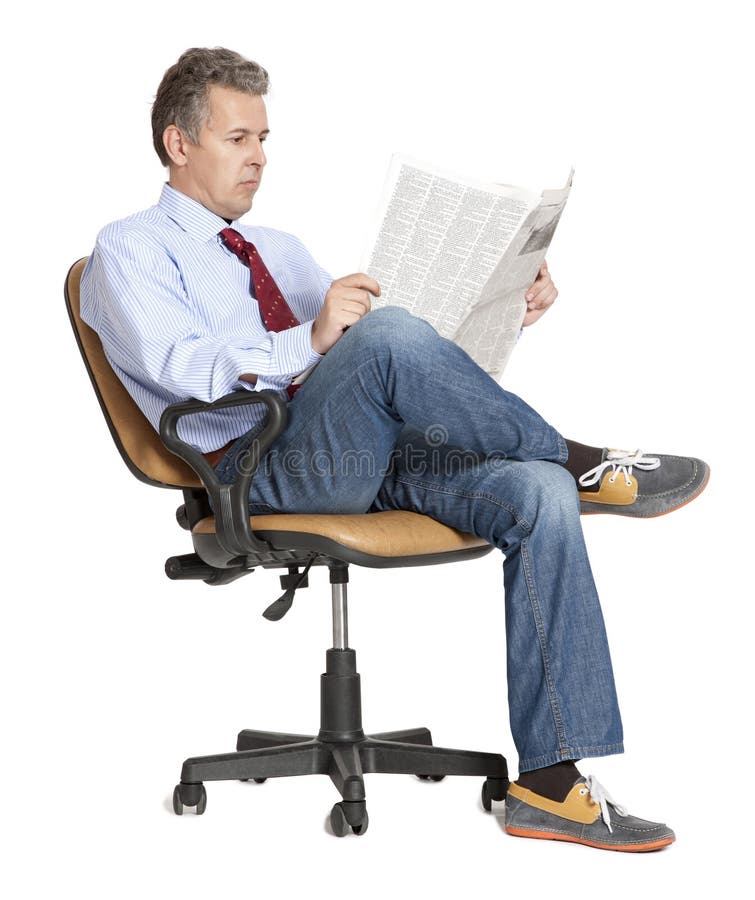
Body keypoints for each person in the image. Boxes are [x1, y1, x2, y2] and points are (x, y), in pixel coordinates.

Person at [80, 47, 709, 852]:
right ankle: (578, 458)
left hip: (367, 453)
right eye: (238, 138)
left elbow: (404, 367)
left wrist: (505, 307)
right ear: (178, 143)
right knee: (384, 337)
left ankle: (551, 783)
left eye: (264, 138)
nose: (259, 157)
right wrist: (311, 337)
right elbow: (182, 370)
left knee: (535, 492)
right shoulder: (129, 249)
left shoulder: (278, 247)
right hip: (258, 470)